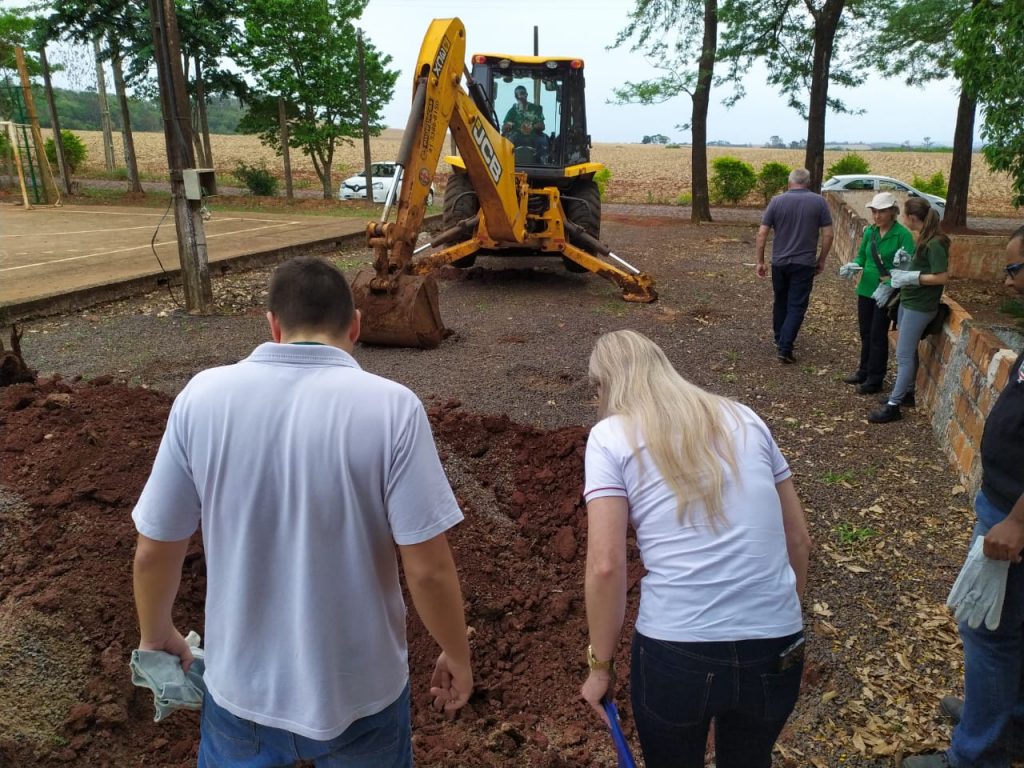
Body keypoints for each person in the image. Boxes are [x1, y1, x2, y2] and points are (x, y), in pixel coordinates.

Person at [131, 256, 473, 767]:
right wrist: (458, 656)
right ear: (355, 325)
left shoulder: (201, 399)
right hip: (364, 695)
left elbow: (156, 549)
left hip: (240, 694)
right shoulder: (393, 409)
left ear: (272, 325)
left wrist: (156, 633)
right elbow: (427, 570)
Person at [579, 329, 812, 768]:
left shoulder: (610, 436)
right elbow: (798, 538)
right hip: (777, 643)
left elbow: (607, 567)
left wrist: (600, 666)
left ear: (605, 386)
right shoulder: (746, 418)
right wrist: (776, 615)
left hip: (678, 649)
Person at [904, 225, 1024, 767]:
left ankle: (976, 757)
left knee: (989, 630)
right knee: (1011, 626)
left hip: (1014, 514)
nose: (1008, 280)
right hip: (1005, 501)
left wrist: (1018, 520)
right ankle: (1006, 720)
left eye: (1016, 268)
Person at [867, 196, 950, 423]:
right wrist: (905, 267)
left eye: (904, 215)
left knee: (903, 355)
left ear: (913, 218)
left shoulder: (936, 243)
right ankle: (907, 393)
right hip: (910, 300)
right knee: (907, 352)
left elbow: (942, 276)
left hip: (920, 306)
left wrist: (913, 277)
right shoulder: (925, 238)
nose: (903, 219)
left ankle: (894, 405)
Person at [755, 168, 835, 364]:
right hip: (804, 263)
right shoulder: (819, 202)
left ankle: (779, 337)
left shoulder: (776, 202)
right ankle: (785, 346)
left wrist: (760, 260)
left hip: (780, 262)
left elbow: (762, 234)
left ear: (789, 182)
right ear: (808, 183)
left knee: (780, 300)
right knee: (797, 305)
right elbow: (828, 234)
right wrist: (821, 259)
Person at [841, 191, 917, 394]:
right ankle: (863, 370)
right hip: (866, 287)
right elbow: (862, 257)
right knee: (865, 332)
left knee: (877, 334)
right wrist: (853, 266)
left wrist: (892, 282)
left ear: (892, 212)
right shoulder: (870, 232)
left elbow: (907, 267)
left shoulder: (902, 235)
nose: (877, 216)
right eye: (874, 211)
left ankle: (875, 378)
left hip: (887, 289)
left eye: (882, 212)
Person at [502, 84, 546, 155]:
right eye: (518, 94)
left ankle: (542, 162)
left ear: (526, 94)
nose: (520, 96)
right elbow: (504, 127)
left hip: (533, 136)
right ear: (515, 97)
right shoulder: (513, 111)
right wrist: (509, 124)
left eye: (523, 93)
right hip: (516, 136)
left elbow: (542, 126)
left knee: (542, 141)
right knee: (507, 142)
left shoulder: (536, 109)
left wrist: (532, 126)